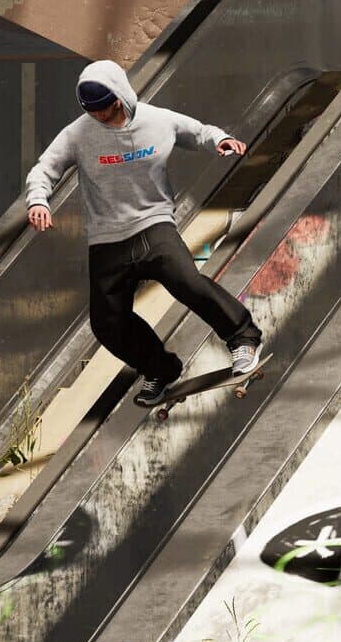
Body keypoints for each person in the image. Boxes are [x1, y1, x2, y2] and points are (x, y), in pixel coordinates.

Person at [25, 60, 263, 407]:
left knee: (187, 282)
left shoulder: (157, 120)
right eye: (91, 112)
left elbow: (198, 132)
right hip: (107, 238)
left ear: (120, 97)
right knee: (106, 323)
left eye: (104, 110)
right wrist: (38, 201)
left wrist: (220, 140)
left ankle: (243, 337)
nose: (99, 117)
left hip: (154, 224)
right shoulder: (77, 134)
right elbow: (44, 169)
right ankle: (160, 369)